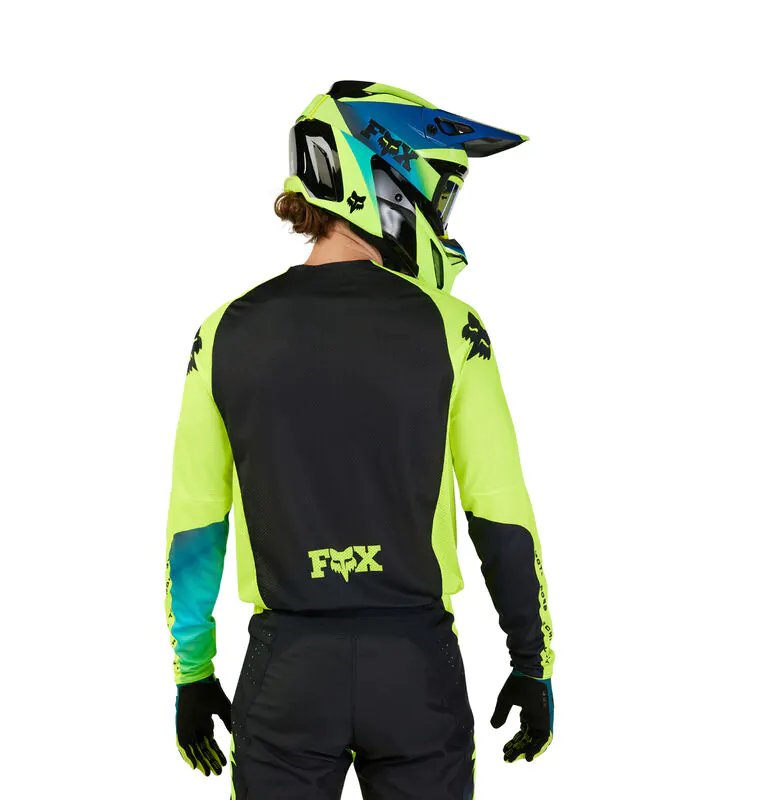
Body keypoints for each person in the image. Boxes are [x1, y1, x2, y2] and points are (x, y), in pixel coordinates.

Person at [165, 80, 555, 799]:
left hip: (287, 668)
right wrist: (531, 662)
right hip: (414, 668)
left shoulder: (223, 332)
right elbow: (499, 509)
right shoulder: (451, 326)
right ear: (385, 176)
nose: (441, 216)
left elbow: (196, 519)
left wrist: (193, 671)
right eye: (437, 192)